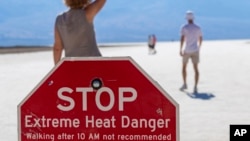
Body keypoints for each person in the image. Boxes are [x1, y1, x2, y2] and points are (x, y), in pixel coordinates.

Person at [53, 0, 106, 65]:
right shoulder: (87, 13)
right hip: (93, 64)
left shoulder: (60, 19)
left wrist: (56, 69)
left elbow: (57, 48)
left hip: (73, 65)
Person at [179, 11, 203, 93]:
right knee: (196, 68)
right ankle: (195, 86)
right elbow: (200, 38)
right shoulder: (198, 27)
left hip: (187, 50)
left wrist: (180, 49)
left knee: (184, 67)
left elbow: (182, 39)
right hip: (195, 49)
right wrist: (199, 47)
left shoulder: (184, 27)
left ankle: (185, 83)